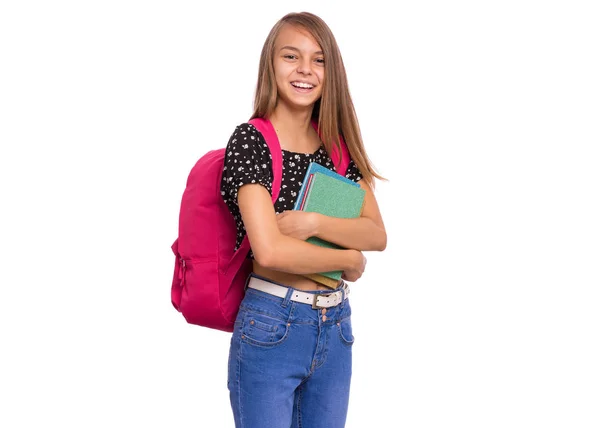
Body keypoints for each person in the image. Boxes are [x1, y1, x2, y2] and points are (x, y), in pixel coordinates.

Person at [220, 11, 387, 428]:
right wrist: (348, 261)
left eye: (318, 60)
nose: (305, 70)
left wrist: (313, 223)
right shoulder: (252, 140)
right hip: (271, 323)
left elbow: (376, 233)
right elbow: (270, 251)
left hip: (336, 327)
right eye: (291, 56)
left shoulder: (337, 146)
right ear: (270, 64)